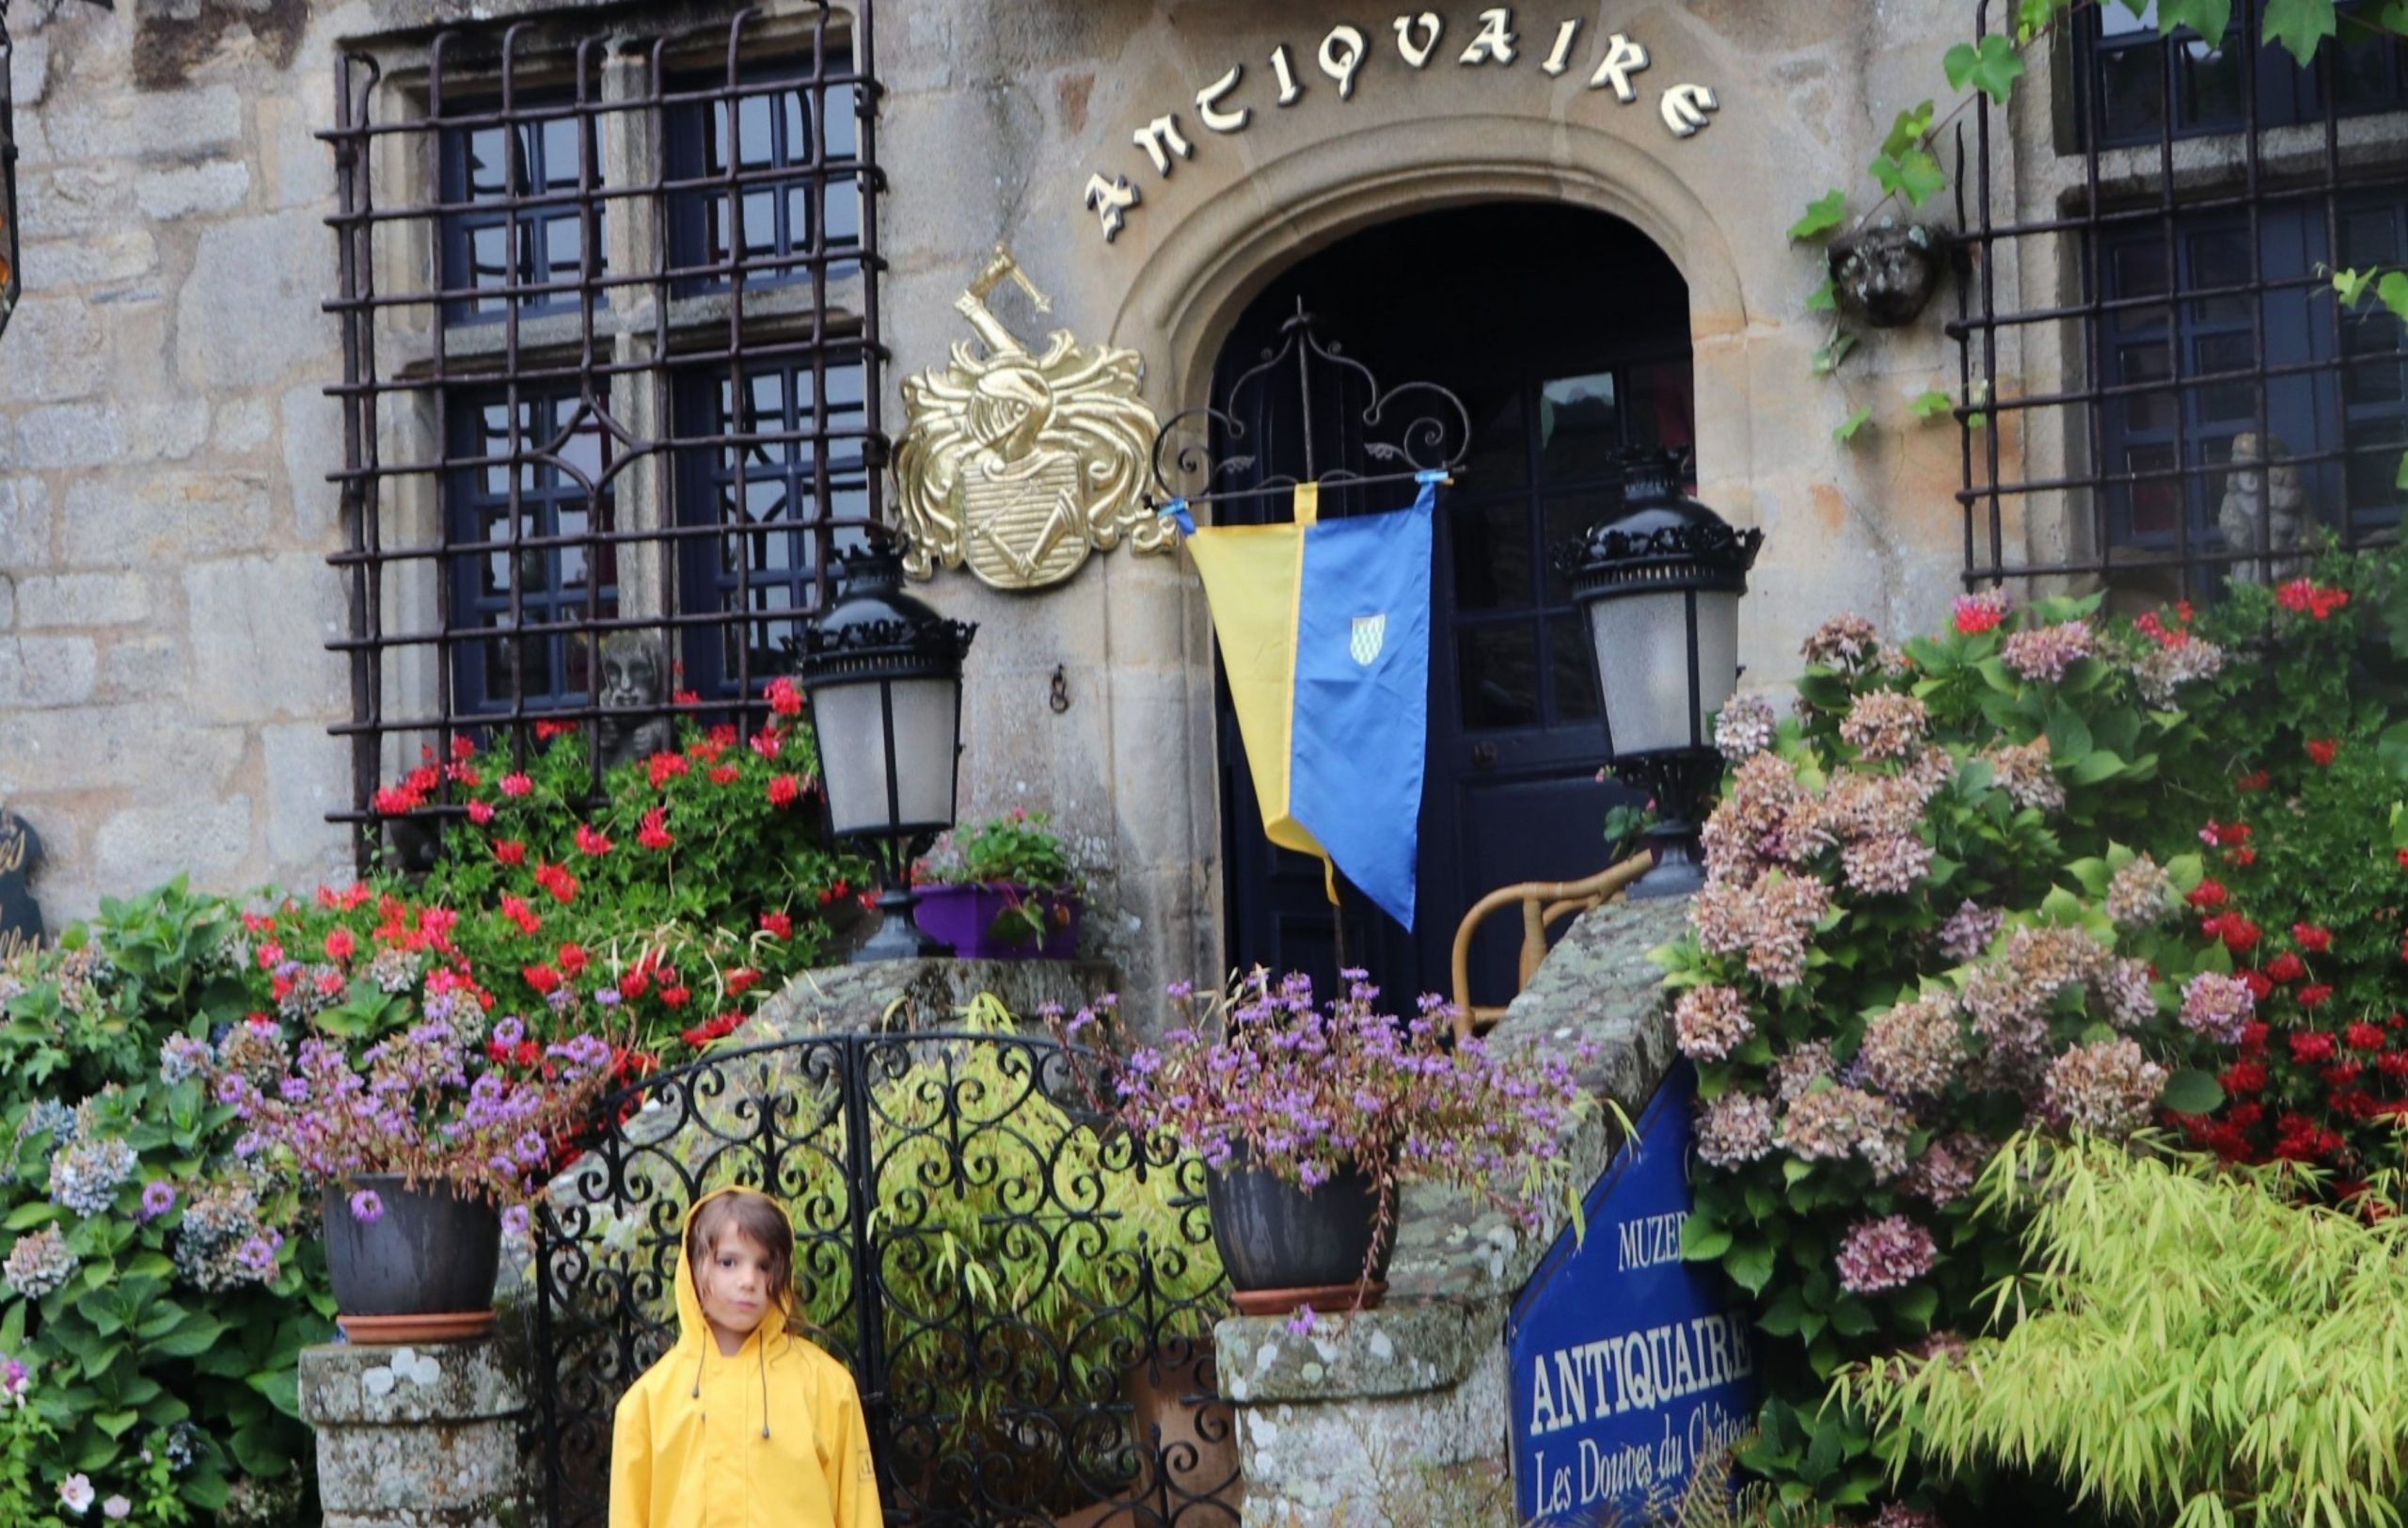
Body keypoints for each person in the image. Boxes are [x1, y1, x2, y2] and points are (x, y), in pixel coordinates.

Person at [609, 1186, 882, 1528]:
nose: (749, 1280)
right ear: (692, 1268)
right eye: (728, 1262)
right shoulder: (647, 1402)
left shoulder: (828, 1386)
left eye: (764, 1265)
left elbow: (860, 1513)